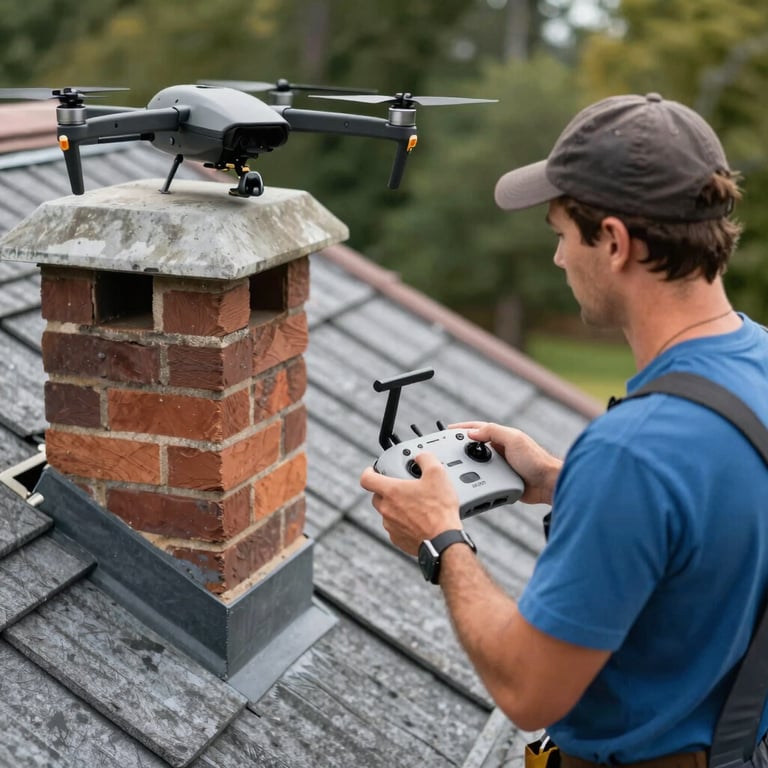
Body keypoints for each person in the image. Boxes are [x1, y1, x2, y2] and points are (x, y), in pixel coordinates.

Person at [359, 93, 768, 766]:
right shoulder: (753, 375)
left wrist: (439, 539)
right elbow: (714, 517)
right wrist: (561, 480)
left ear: (612, 242)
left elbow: (528, 689)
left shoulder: (635, 454)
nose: (556, 259)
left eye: (559, 233)